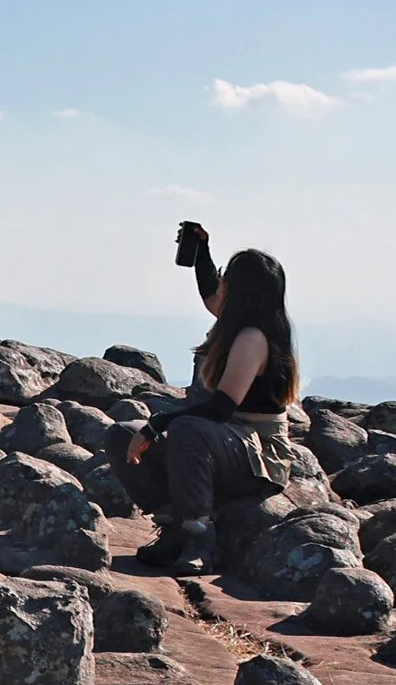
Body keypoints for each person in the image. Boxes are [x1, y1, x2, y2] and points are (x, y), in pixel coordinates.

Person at [104, 223, 303, 574]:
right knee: (121, 434)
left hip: (258, 455)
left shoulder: (252, 339)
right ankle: (172, 528)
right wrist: (201, 250)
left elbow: (221, 408)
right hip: (225, 443)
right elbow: (210, 293)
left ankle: (199, 539)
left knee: (187, 429)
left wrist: (156, 426)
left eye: (227, 276)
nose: (221, 280)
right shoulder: (236, 321)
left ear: (241, 291)